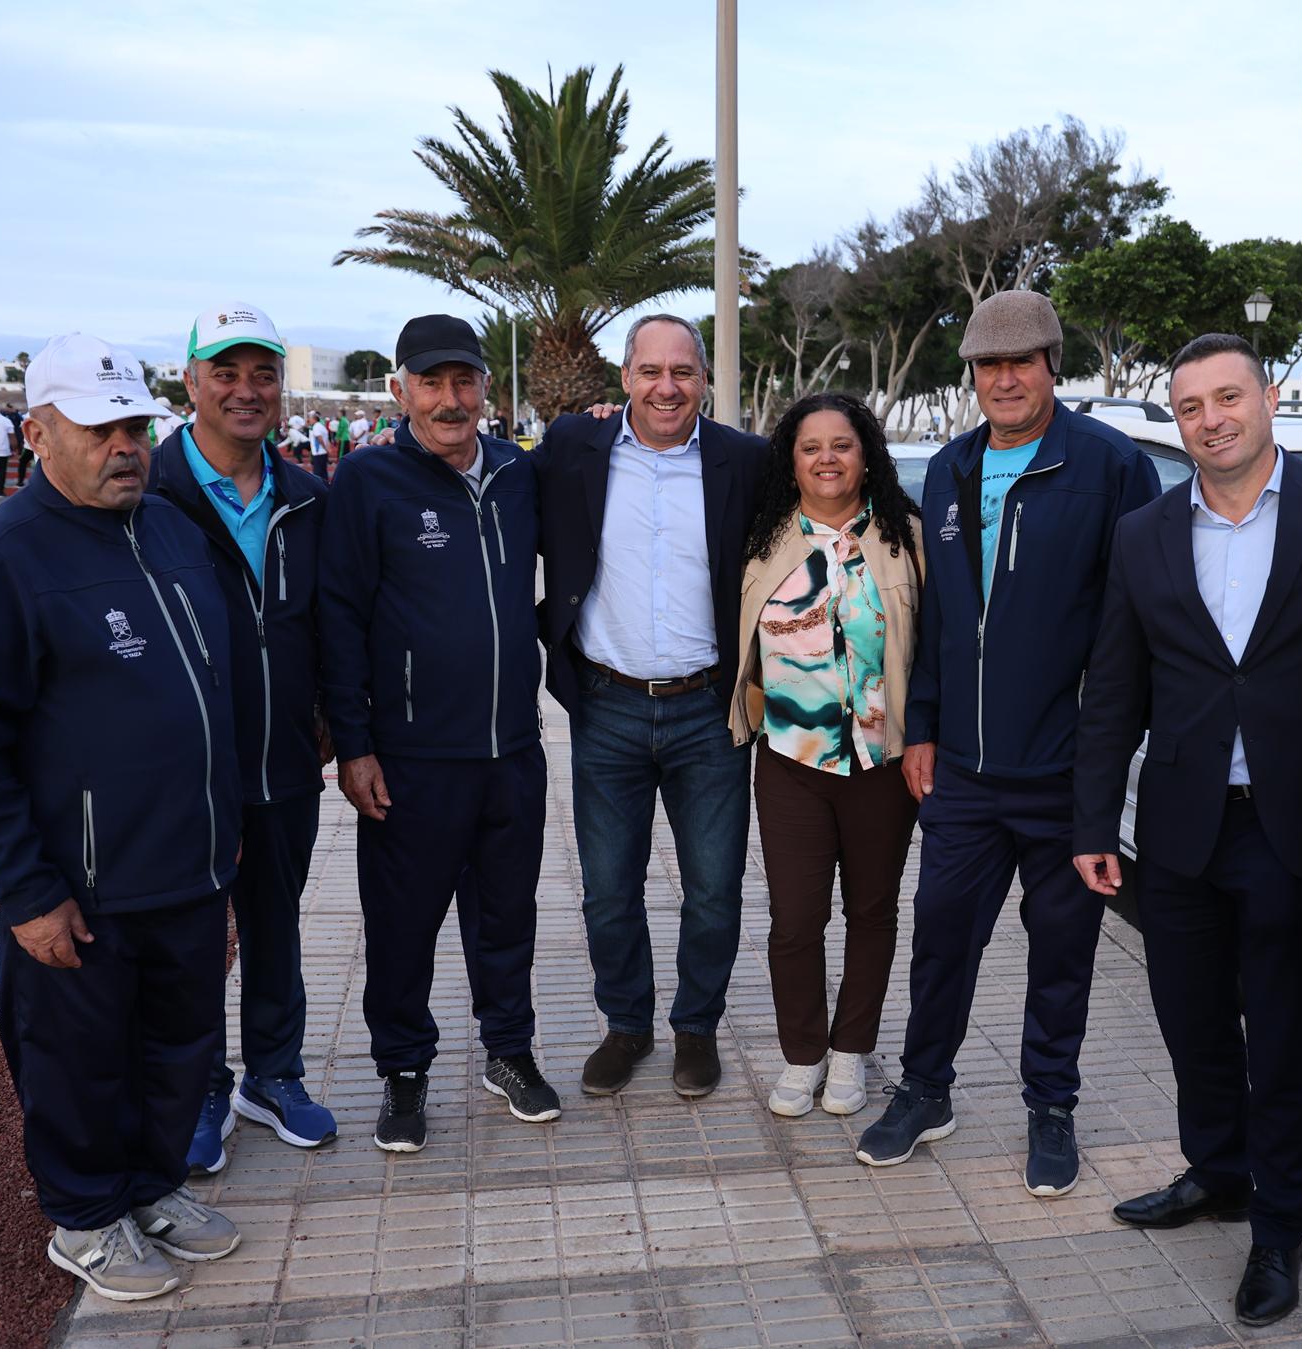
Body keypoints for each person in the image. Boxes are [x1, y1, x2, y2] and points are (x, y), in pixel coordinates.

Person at [1071, 333, 1302, 1327]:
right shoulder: (1142, 532)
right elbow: (1114, 691)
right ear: (1173, 423)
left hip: (1295, 827)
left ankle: (1279, 1227)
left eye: (1228, 396)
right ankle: (1215, 1172)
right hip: (1178, 831)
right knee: (1188, 1027)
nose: (1211, 418)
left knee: (1281, 1040)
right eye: (1190, 405)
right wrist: (1093, 816)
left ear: (1267, 398)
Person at [0, 333, 244, 1302]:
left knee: (178, 1047)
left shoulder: (173, 531)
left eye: (135, 426)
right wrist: (27, 889)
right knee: (78, 1060)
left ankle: (148, 1188)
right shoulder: (0, 558)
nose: (125, 446)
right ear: (36, 431)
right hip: (81, 884)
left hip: (187, 869)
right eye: (100, 428)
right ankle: (84, 1212)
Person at [854, 290, 1159, 1196]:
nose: (1005, 378)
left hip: (1066, 774)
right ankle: (925, 1089)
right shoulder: (947, 470)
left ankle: (1051, 1105)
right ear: (973, 375)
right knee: (942, 934)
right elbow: (940, 617)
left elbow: (1127, 632)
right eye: (989, 365)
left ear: (1052, 367)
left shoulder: (1108, 467)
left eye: (1022, 361)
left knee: (1062, 949)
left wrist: (1102, 773)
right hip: (965, 777)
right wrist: (924, 729)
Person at [319, 313, 557, 1150]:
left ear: (487, 387)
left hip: (510, 752)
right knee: (402, 924)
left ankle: (510, 1051)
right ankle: (404, 1070)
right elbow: (339, 617)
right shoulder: (368, 482)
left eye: (464, 381)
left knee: (507, 919)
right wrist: (354, 744)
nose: (450, 400)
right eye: (431, 382)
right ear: (400, 390)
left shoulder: (521, 475)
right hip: (411, 760)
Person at [532, 314, 768, 1099]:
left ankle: (695, 1027)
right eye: (650, 371)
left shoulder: (746, 460)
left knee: (714, 889)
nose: (668, 387)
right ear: (624, 379)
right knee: (607, 888)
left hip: (710, 712)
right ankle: (625, 1024)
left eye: (684, 372)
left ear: (703, 380)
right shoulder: (575, 446)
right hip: (608, 706)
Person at [149, 305, 336, 1175]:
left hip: (286, 766)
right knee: (189, 942)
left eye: (262, 372)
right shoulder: (147, 497)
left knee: (275, 927)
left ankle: (274, 1073)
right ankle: (200, 1090)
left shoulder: (307, 496)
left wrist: (336, 731)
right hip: (184, 775)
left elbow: (332, 627)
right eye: (225, 372)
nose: (245, 390)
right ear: (190, 383)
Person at [729, 392, 923, 1119]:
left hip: (883, 762)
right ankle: (803, 1052)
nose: (827, 459)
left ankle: (851, 1051)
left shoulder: (905, 535)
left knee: (873, 910)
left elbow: (929, 644)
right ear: (792, 457)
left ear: (866, 452)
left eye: (842, 444)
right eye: (811, 446)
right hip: (790, 760)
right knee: (795, 918)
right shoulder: (764, 537)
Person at [306, 413, 331, 482]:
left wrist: (326, 448)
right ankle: (326, 486)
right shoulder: (320, 426)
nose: (309, 420)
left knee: (318, 473)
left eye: (310, 418)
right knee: (323, 472)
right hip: (322, 452)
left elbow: (319, 438)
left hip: (319, 452)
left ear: (314, 419)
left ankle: (320, 488)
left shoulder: (316, 427)